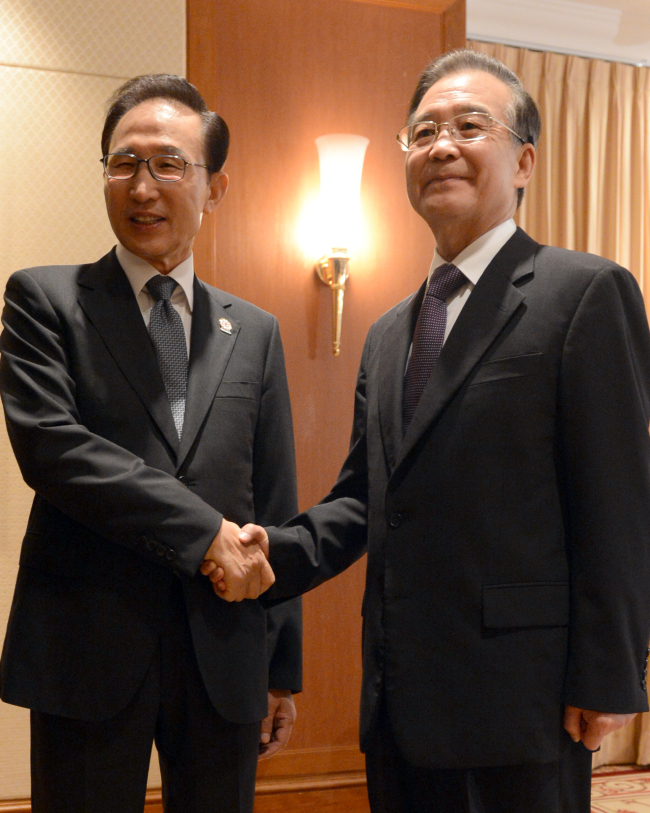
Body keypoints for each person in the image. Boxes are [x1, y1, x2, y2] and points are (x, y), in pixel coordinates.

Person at [207, 50, 650, 812]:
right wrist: (266, 550)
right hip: (398, 701)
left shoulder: (584, 293)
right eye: (423, 131)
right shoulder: (388, 333)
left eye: (470, 126)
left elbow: (618, 501)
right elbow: (364, 499)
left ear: (525, 161)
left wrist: (610, 676)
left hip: (525, 697)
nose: (442, 145)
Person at [0, 74, 301, 813]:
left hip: (223, 650)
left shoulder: (254, 330)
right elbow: (54, 450)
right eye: (123, 163)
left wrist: (280, 664)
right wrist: (203, 533)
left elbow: (275, 495)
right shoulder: (46, 300)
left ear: (214, 186)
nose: (143, 187)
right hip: (86, 645)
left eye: (169, 164)